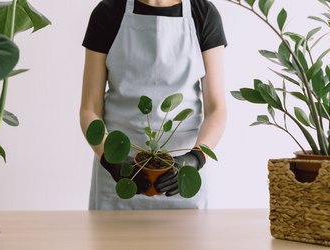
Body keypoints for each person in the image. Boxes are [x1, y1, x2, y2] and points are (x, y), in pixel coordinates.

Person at [80, 0, 227, 210]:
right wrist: (111, 160)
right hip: (119, 177)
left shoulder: (203, 13)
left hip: (182, 176)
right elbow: (89, 109)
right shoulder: (108, 12)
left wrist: (195, 158)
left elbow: (217, 109)